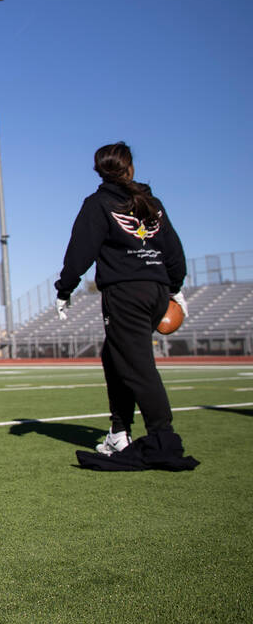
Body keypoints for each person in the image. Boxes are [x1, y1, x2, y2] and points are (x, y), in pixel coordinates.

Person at [54, 143, 198, 471]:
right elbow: (174, 251)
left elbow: (80, 250)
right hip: (157, 290)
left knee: (137, 365)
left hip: (126, 294)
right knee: (114, 355)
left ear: (100, 172)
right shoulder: (151, 204)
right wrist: (175, 289)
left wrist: (65, 288)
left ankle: (163, 437)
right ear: (129, 167)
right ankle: (119, 432)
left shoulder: (100, 203)